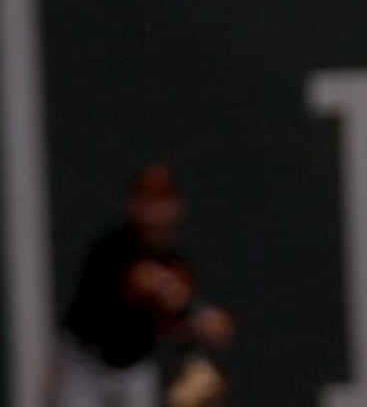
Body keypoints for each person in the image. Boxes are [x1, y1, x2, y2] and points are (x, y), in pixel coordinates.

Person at [52, 165, 233, 407]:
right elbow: (143, 282)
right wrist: (196, 312)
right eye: (148, 200)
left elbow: (175, 320)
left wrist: (198, 337)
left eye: (163, 200)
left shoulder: (178, 263)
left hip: (133, 367)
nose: (155, 210)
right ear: (133, 203)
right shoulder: (112, 247)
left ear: (176, 207)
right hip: (85, 364)